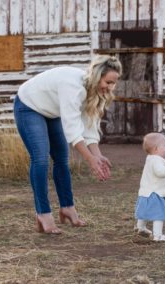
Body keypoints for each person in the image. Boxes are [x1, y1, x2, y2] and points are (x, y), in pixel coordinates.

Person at [13, 55, 122, 234]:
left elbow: (89, 126)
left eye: (113, 84)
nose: (110, 88)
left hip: (51, 111)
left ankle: (67, 209)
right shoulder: (73, 86)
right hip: (29, 106)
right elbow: (73, 131)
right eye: (108, 82)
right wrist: (90, 160)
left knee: (61, 159)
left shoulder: (94, 92)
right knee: (40, 158)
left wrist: (97, 155)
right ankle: (43, 214)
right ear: (97, 76)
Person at [134, 133, 165, 241]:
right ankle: (158, 235)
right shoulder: (156, 160)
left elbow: (158, 172)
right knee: (159, 214)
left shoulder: (151, 158)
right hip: (155, 193)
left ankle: (140, 227)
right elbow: (160, 172)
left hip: (147, 191)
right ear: (156, 149)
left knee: (145, 210)